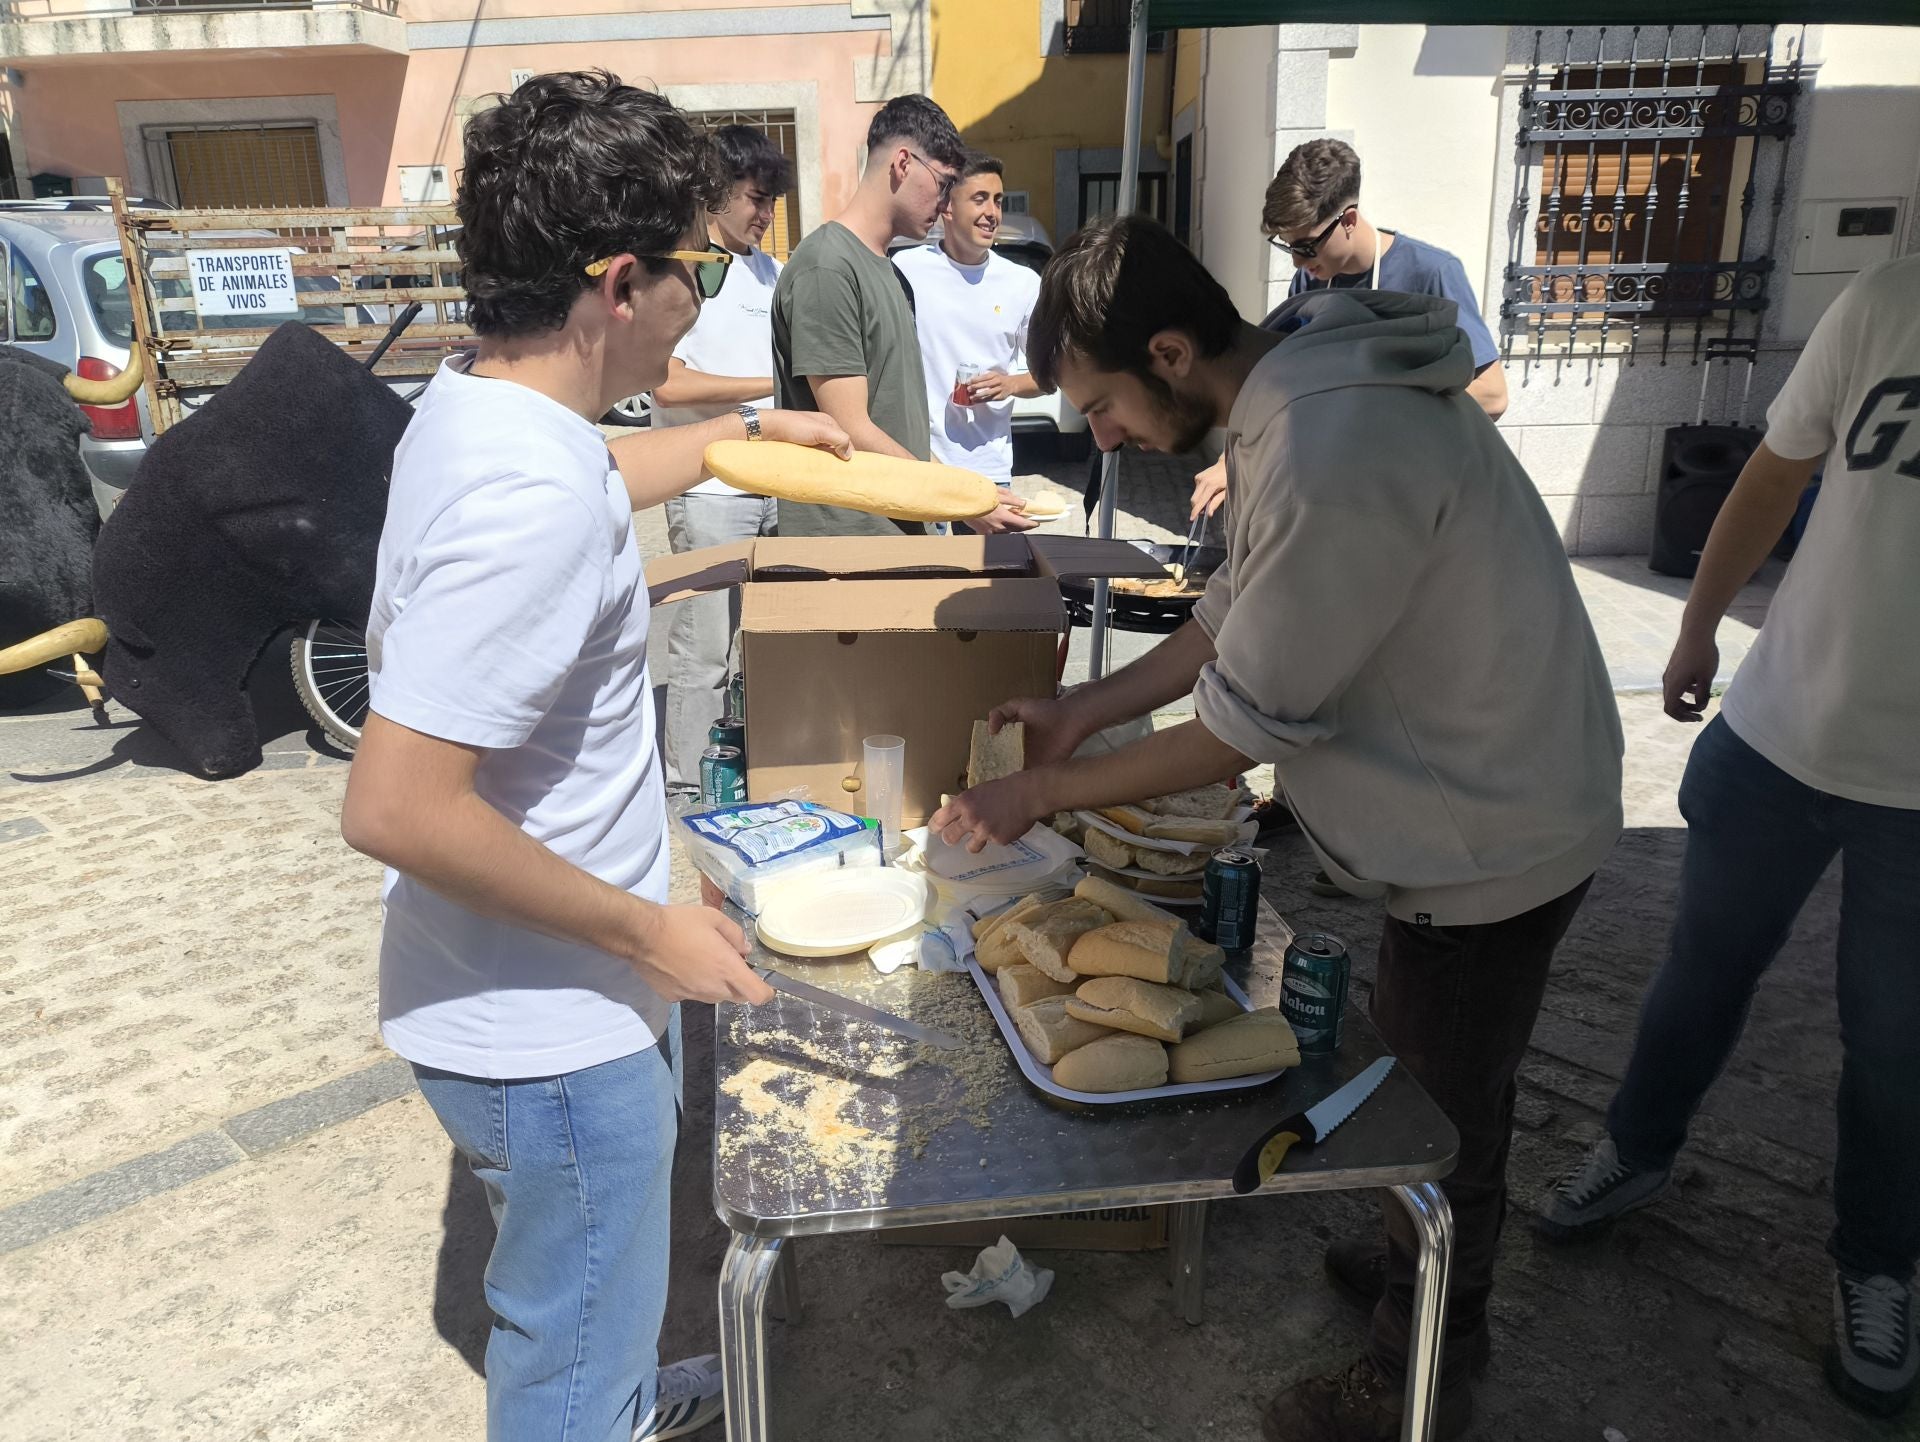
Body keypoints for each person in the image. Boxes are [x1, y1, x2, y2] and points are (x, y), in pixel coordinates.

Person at [930, 215, 1623, 1442]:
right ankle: (1405, 1232)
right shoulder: (1287, 397)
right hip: (1468, 802)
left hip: (1494, 827)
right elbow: (1230, 617)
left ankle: (1420, 1376)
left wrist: (1036, 794)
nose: (1102, 437)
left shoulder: (1326, 437)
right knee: (1428, 1056)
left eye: (1101, 406)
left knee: (1447, 1116)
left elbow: (1244, 723)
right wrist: (1080, 709)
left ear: (1172, 350)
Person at [340, 71, 849, 1442]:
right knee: (563, 1355)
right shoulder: (525, 494)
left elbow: (597, 481)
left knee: (595, 1308)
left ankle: (613, 1388)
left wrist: (742, 438)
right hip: (555, 1029)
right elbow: (392, 805)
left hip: (537, 993)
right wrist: (650, 933)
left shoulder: (486, 408)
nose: (700, 297)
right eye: (688, 269)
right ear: (620, 285)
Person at [1537, 253, 1920, 1421]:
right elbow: (1770, 477)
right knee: (1701, 972)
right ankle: (1636, 1149)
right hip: (1780, 733)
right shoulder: (1889, 304)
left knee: (1896, 1048)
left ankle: (1877, 1265)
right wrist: (1698, 625)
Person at [1188, 137, 1509, 522]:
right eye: (1287, 246)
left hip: (1415, 499)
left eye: (1306, 246)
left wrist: (1384, 413)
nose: (1296, 262)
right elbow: (1280, 382)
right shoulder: (1309, 285)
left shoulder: (1433, 273)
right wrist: (1230, 459)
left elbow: (1492, 395)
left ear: (1349, 221)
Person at [770, 94, 1031, 537]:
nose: (947, 201)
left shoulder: (889, 271)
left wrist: (962, 488)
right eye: (944, 183)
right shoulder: (827, 268)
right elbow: (849, 428)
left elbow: (897, 423)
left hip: (895, 531)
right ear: (904, 163)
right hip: (850, 542)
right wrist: (956, 499)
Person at [651, 124, 793, 797]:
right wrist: (765, 394)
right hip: (707, 492)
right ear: (716, 193)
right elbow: (667, 383)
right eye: (754, 199)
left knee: (765, 646)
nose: (764, 216)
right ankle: (688, 783)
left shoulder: (774, 273)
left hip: (775, 488)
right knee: (703, 650)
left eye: (771, 203)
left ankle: (752, 766)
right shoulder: (682, 269)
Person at [892, 151, 1049, 490]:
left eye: (998, 201)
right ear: (947, 207)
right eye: (980, 199)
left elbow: (1050, 376)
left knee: (991, 548)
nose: (992, 213)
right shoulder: (906, 268)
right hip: (922, 466)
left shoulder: (1021, 283)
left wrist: (1010, 384)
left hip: (988, 472)